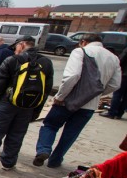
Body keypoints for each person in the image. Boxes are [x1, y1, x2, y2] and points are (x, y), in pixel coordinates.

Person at [33, 33, 121, 168]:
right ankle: (55, 160)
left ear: (83, 42)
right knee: (71, 133)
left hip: (68, 100)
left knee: (50, 125)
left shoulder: (80, 52)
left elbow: (72, 76)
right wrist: (96, 93)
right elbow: (115, 84)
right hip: (90, 104)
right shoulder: (114, 58)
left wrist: (60, 96)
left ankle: (43, 150)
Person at [0, 35, 54, 170]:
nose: (15, 49)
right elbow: (46, 89)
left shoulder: (12, 60)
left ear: (22, 45)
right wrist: (36, 110)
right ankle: (8, 162)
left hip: (7, 102)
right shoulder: (46, 63)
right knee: (17, 134)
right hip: (29, 105)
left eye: (16, 46)